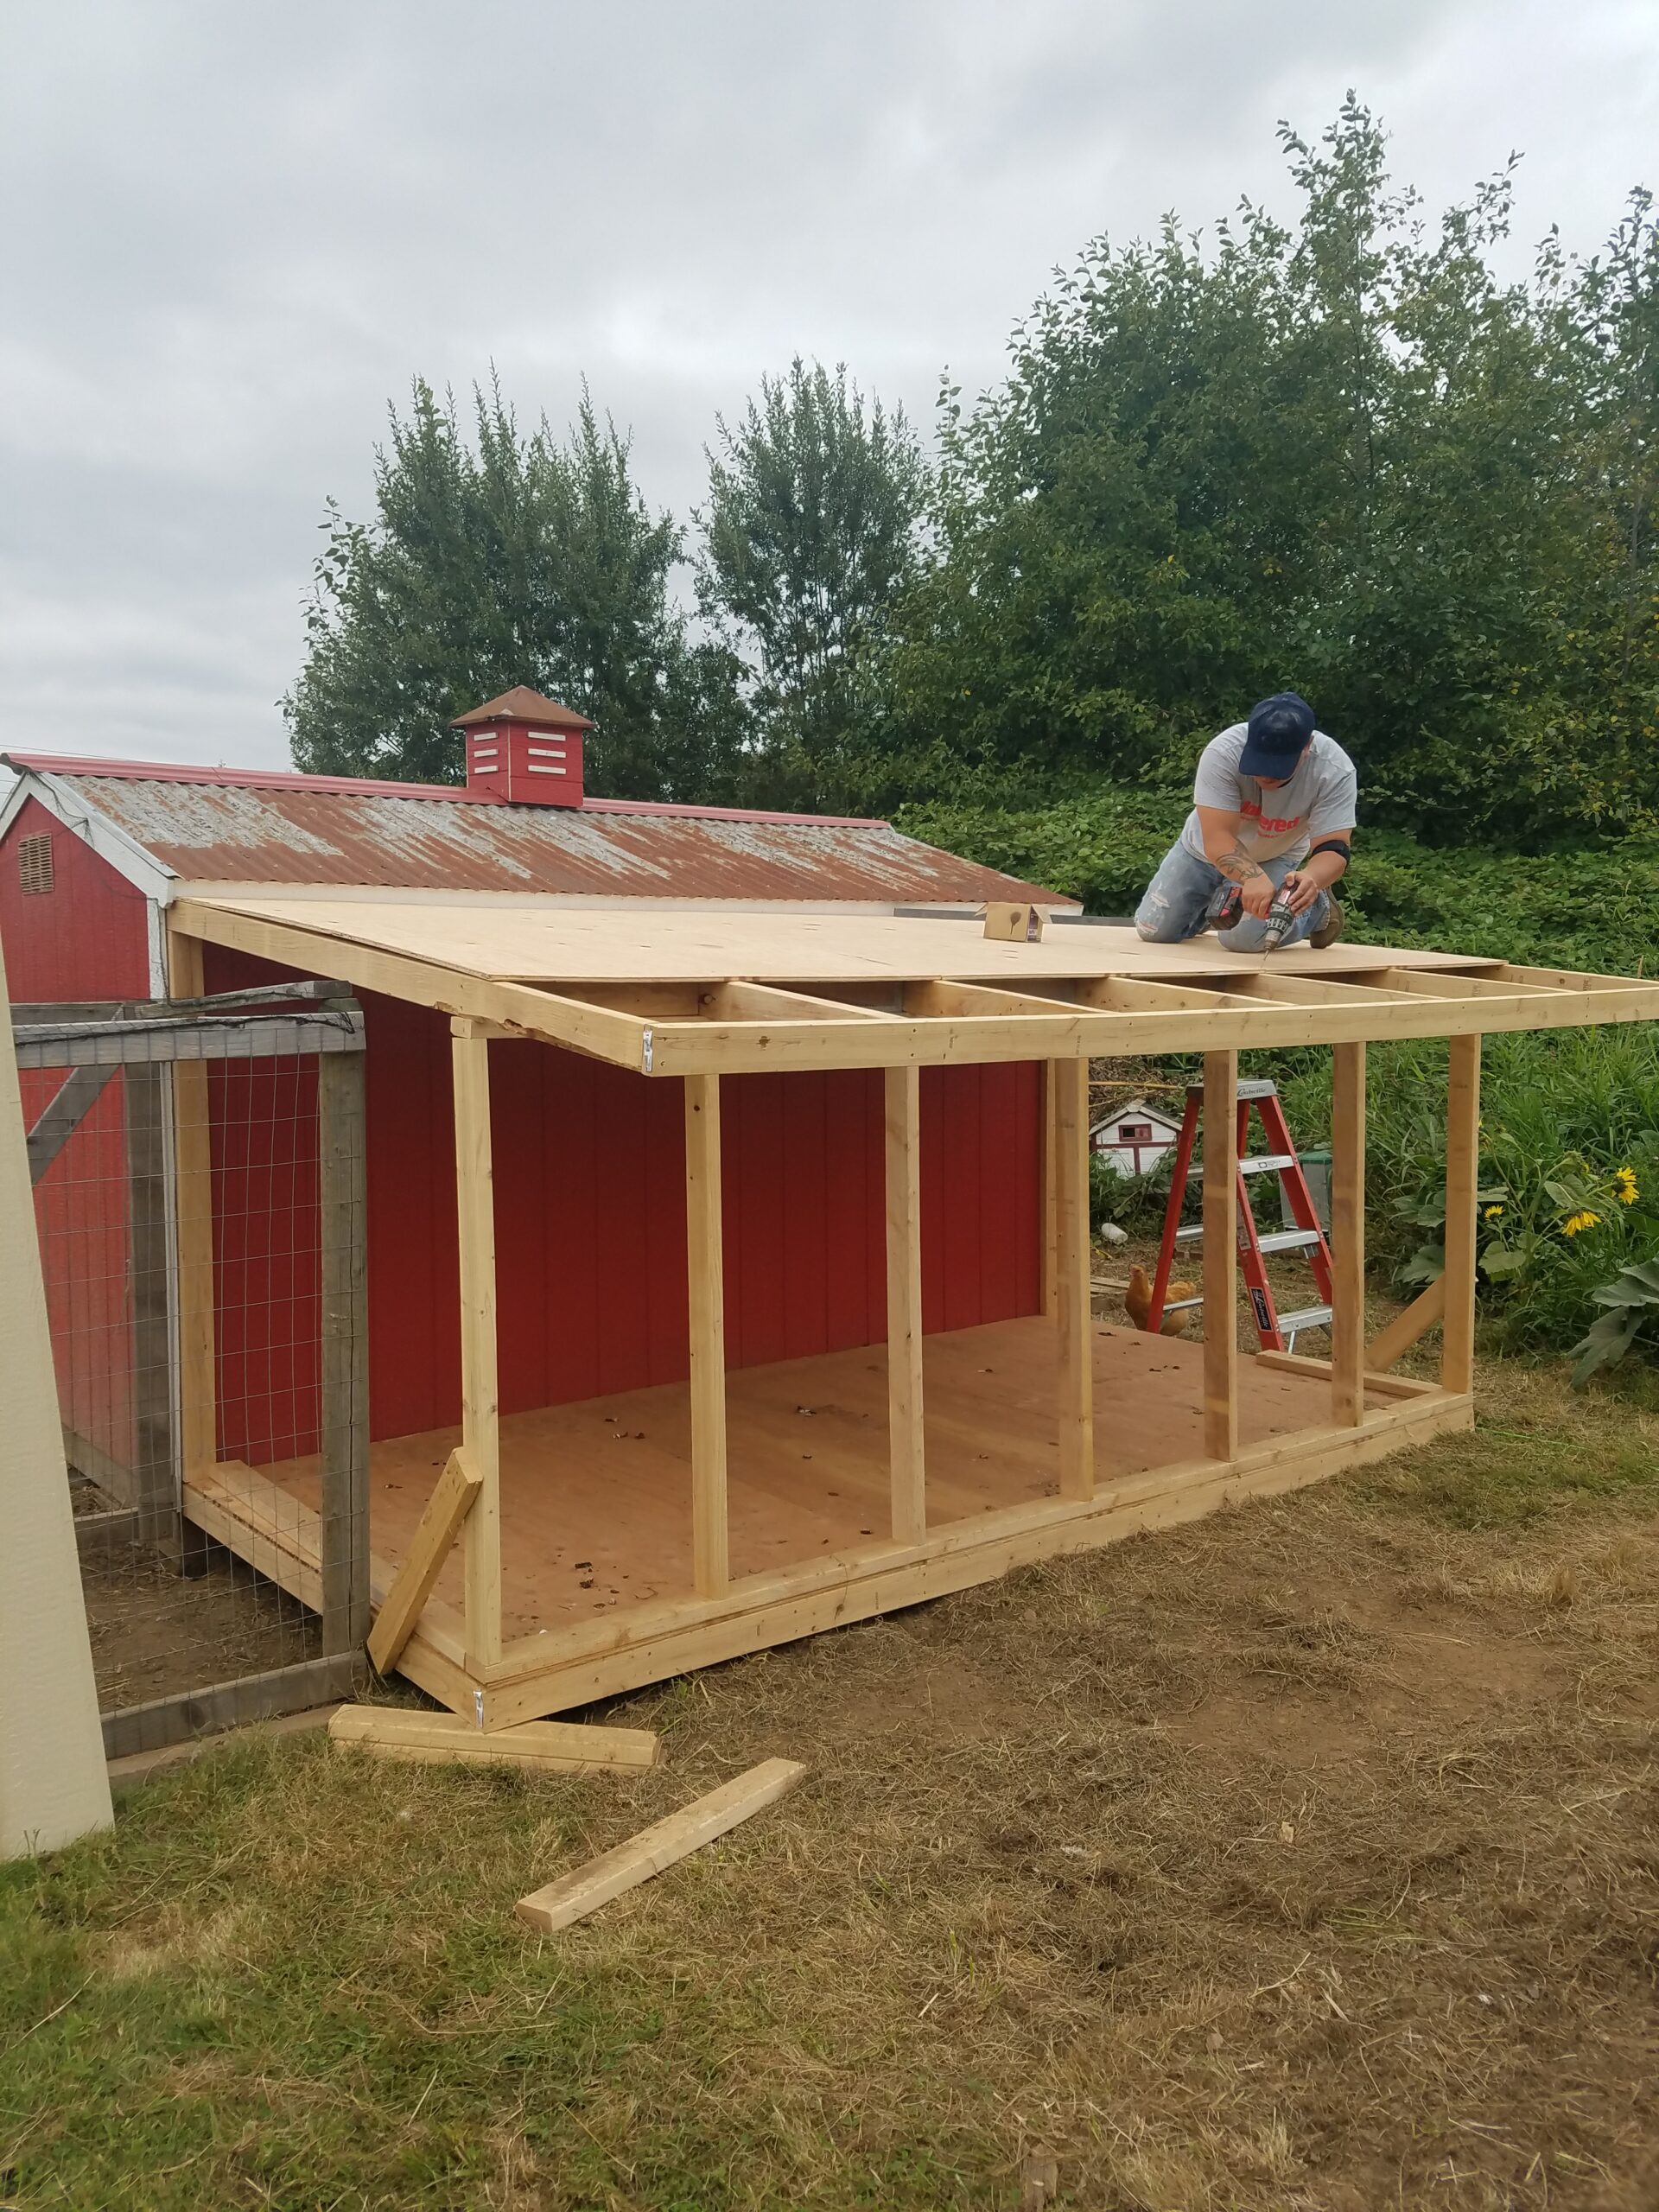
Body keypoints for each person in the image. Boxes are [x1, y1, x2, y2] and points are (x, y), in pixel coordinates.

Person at [1134, 692, 1354, 951]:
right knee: (1154, 931)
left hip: (1274, 856)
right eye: (1259, 762)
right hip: (1202, 852)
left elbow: (1335, 848)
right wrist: (1251, 878)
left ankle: (1318, 909)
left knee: (1243, 941)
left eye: (1277, 766)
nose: (1264, 774)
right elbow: (1218, 840)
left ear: (1307, 747)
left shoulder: (1333, 770)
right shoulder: (1223, 753)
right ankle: (1211, 910)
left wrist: (1312, 878)